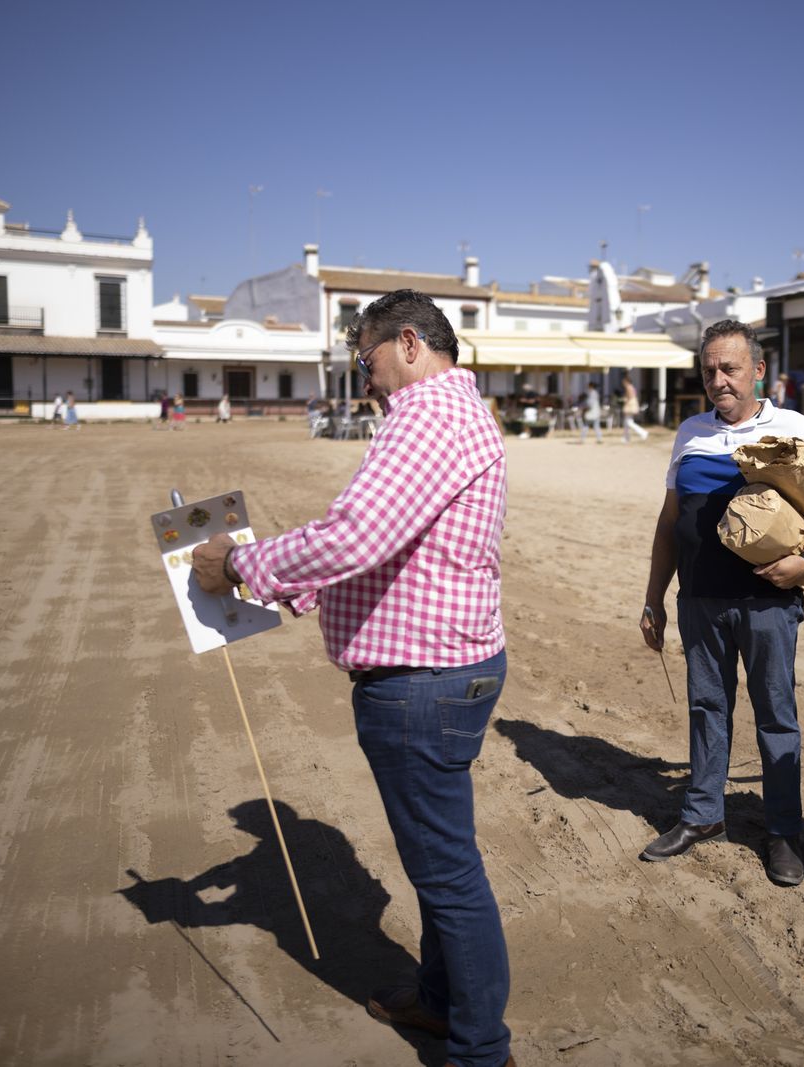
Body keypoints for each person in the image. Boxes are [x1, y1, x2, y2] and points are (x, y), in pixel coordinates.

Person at [192, 289, 514, 1067]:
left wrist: (242, 564)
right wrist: (296, 585)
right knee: (445, 861)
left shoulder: (428, 417)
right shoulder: (450, 412)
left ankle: (481, 1050)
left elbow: (359, 534)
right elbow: (391, 546)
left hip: (421, 683)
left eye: (364, 359)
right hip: (448, 669)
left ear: (408, 343)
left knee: (448, 874)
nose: (362, 376)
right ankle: (442, 1004)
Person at [637, 320, 804, 886]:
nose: (718, 380)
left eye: (730, 368)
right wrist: (655, 596)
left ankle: (783, 832)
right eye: (709, 370)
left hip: (768, 603)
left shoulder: (792, 427)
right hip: (700, 600)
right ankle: (704, 816)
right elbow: (668, 521)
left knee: (776, 717)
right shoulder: (689, 432)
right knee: (707, 709)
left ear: (757, 371)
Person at [621, 376, 649, 442]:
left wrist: (625, 401)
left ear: (626, 382)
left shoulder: (628, 387)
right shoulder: (631, 387)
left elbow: (629, 397)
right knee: (627, 422)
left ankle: (643, 432)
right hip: (632, 405)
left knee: (629, 423)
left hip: (630, 405)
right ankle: (626, 437)